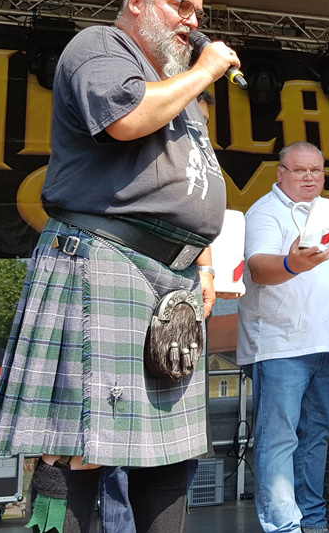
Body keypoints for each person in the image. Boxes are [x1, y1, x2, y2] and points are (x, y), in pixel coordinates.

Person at [0, 0, 240, 533]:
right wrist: (205, 69)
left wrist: (201, 259)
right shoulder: (101, 46)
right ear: (137, 2)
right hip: (105, 260)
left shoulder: (179, 91)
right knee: (75, 444)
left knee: (171, 452)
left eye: (199, 13)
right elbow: (126, 118)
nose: (193, 21)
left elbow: (189, 179)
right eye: (181, 6)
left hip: (171, 278)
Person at [100, 88, 219, 533]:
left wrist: (206, 269)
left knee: (177, 445)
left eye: (204, 125)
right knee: (115, 437)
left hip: (179, 295)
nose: (199, 133)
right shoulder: (130, 150)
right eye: (192, 123)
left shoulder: (199, 160)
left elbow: (197, 219)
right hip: (122, 285)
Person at [238, 141, 329, 533]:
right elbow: (258, 267)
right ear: (280, 173)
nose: (309, 178)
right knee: (279, 440)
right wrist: (291, 263)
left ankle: (313, 523)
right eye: (300, 170)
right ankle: (283, 527)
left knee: (315, 438)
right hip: (280, 347)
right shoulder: (266, 211)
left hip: (324, 346)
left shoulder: (326, 213)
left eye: (316, 170)